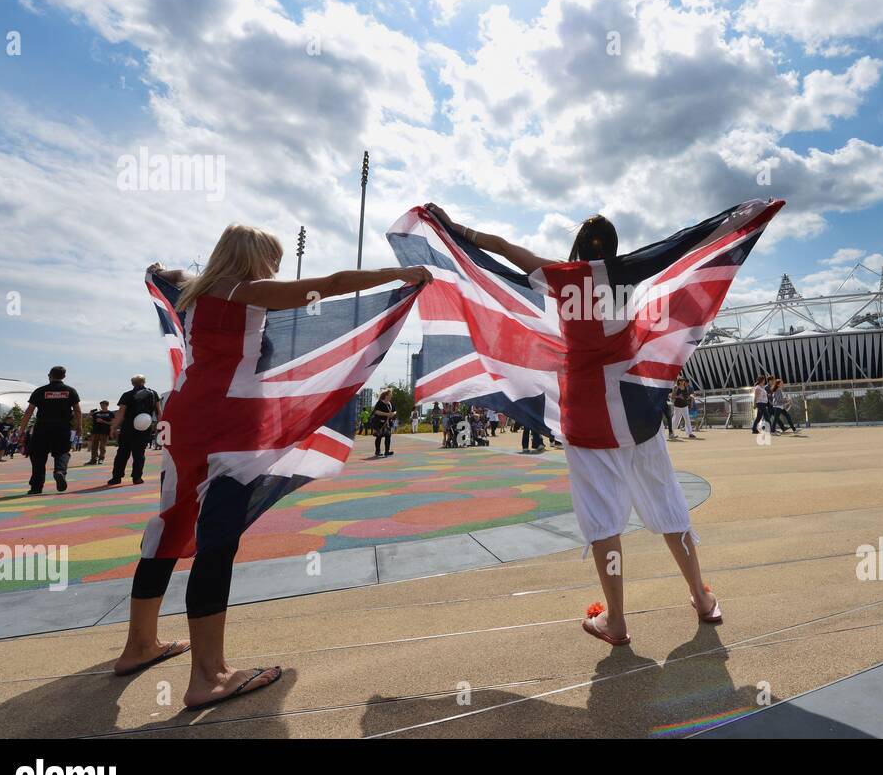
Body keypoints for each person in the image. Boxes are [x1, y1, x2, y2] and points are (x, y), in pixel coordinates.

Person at [113, 225, 431, 711]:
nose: (275, 271)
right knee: (217, 538)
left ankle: (138, 645)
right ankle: (208, 675)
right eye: (271, 260)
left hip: (182, 416)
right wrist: (399, 274)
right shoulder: (248, 291)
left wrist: (154, 271)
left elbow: (164, 274)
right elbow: (335, 282)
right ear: (252, 258)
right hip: (231, 423)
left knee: (168, 525)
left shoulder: (191, 290)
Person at [423, 203, 722, 647]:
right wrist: (739, 219)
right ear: (614, 247)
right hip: (637, 408)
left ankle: (616, 620)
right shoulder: (629, 273)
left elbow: (502, 248)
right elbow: (685, 245)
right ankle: (701, 597)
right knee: (668, 502)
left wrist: (451, 226)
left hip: (586, 412)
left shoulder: (560, 276)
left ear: (577, 248)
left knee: (604, 520)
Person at [18, 366, 82, 493]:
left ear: (49, 375)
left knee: (38, 456)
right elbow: (77, 411)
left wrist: (22, 429)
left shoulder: (40, 391)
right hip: (62, 428)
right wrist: (79, 426)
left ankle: (36, 487)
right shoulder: (70, 391)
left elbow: (28, 412)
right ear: (64, 376)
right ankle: (60, 471)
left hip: (42, 427)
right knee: (62, 452)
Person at [108, 376, 160, 486]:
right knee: (139, 453)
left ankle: (116, 477)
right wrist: (160, 424)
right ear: (144, 382)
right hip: (145, 426)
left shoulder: (127, 395)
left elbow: (121, 413)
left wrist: (113, 427)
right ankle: (137, 477)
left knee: (122, 453)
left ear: (132, 384)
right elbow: (159, 412)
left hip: (128, 427)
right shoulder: (153, 394)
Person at [86, 400, 114, 464]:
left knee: (102, 446)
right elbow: (87, 418)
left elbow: (113, 422)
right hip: (95, 431)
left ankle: (101, 459)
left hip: (104, 431)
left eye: (103, 405)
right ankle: (93, 459)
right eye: (101, 405)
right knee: (94, 446)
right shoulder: (96, 413)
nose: (102, 406)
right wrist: (89, 414)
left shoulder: (110, 413)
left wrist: (103, 421)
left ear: (107, 405)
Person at [371, 389, 396, 456]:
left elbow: (395, 411)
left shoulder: (390, 403)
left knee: (388, 437)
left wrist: (393, 413)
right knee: (379, 437)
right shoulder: (380, 402)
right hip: (380, 423)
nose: (391, 396)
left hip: (388, 423)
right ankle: (377, 451)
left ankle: (387, 451)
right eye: (390, 395)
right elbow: (375, 411)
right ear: (386, 395)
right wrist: (386, 414)